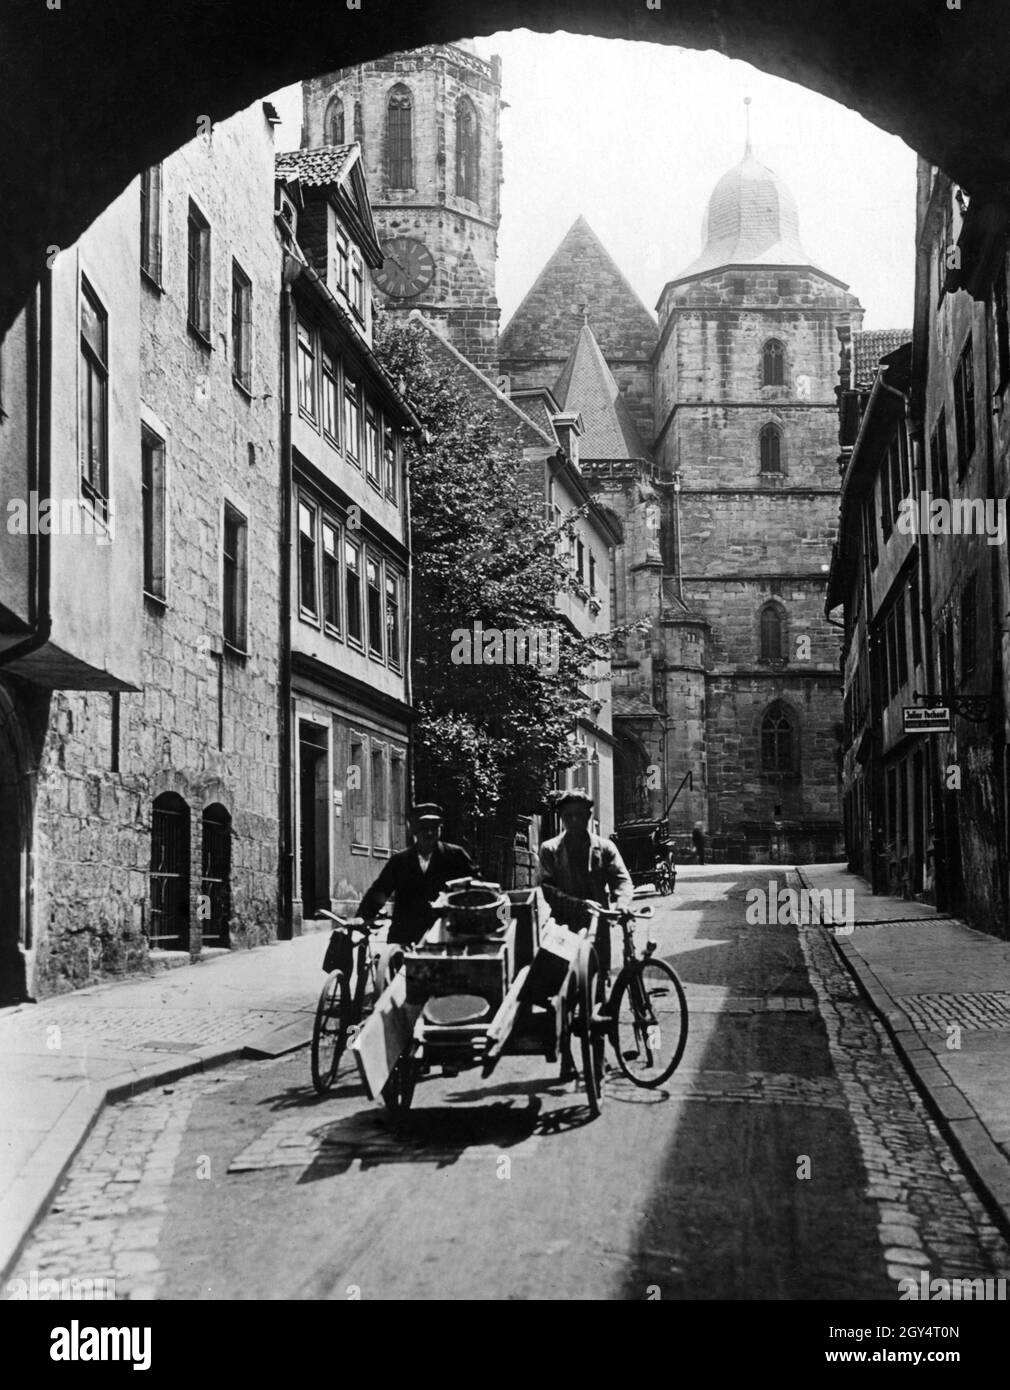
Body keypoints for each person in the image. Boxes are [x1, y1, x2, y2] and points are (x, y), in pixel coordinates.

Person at [537, 789, 634, 979]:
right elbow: (546, 888)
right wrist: (579, 905)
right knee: (566, 981)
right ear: (561, 818)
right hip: (563, 923)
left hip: (598, 923)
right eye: (568, 816)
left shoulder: (605, 847)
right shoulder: (550, 849)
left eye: (579, 815)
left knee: (598, 976)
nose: (574, 820)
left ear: (589, 816)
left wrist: (622, 903)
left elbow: (621, 879)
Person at [357, 803, 475, 946]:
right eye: (423, 828)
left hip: (446, 936)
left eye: (434, 828)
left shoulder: (456, 856)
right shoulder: (400, 861)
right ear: (413, 829)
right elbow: (380, 891)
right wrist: (362, 917)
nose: (429, 833)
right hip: (405, 937)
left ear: (440, 829)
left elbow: (476, 886)